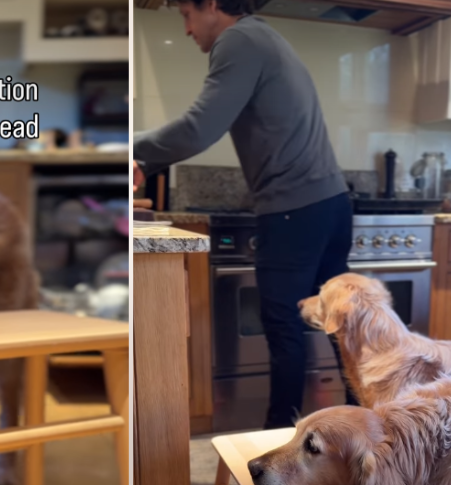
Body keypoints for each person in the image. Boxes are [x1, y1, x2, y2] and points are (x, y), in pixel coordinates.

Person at [132, 0, 355, 429]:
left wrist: (131, 146)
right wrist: (144, 158)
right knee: (341, 325)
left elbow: (199, 127)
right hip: (330, 204)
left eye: (186, 14)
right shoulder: (264, 37)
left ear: (212, 5)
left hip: (293, 211)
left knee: (285, 327)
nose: (185, 28)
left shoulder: (239, 39)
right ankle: (360, 435)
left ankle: (279, 442)